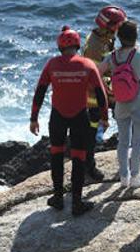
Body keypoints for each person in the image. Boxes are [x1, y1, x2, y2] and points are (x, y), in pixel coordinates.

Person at [30, 26, 109, 216]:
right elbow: (101, 94)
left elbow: (40, 91)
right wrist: (105, 118)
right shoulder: (87, 65)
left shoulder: (52, 64)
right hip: (79, 116)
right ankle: (76, 203)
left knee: (56, 156)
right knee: (78, 158)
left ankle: (58, 198)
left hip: (57, 116)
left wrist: (33, 118)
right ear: (77, 44)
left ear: (60, 46)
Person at [98, 20, 140, 189]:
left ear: (119, 37)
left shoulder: (112, 56)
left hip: (120, 104)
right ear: (136, 37)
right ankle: (136, 176)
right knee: (138, 142)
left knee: (123, 142)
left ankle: (124, 177)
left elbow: (97, 73)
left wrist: (108, 91)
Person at [82, 5, 126, 180]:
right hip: (94, 97)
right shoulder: (95, 46)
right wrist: (111, 93)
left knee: (123, 116)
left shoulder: (104, 38)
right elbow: (96, 74)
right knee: (92, 132)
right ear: (110, 26)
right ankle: (89, 167)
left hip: (103, 90)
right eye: (118, 24)